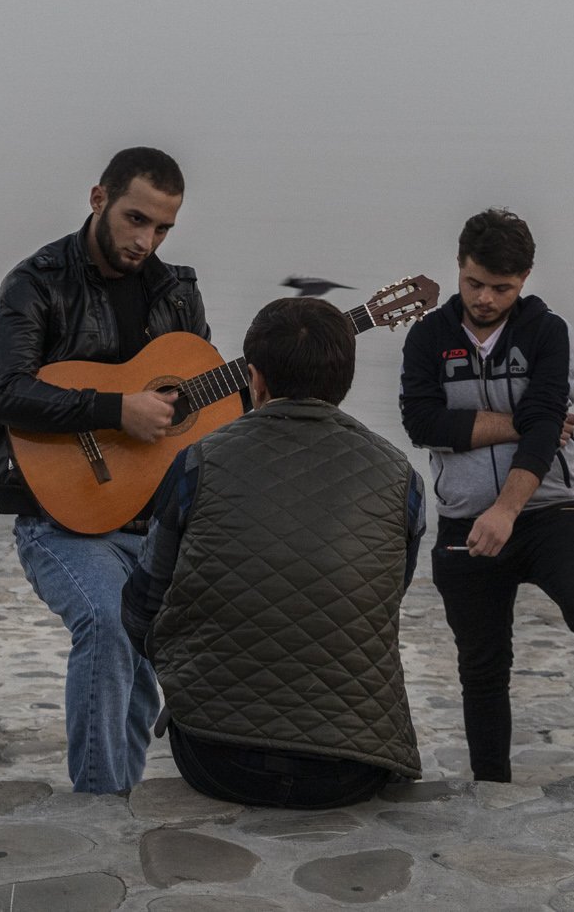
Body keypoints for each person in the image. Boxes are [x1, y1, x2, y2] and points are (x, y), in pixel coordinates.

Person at [123, 296, 426, 807]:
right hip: (352, 769)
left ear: (255, 379)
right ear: (345, 379)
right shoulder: (403, 479)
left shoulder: (198, 461)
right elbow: (386, 595)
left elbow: (142, 605)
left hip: (216, 758)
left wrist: (186, 666)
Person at [0, 147, 212, 794]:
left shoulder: (178, 292)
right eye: (136, 218)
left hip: (150, 517)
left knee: (141, 661)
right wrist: (116, 409)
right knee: (108, 626)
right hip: (61, 516)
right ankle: (99, 804)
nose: (147, 240)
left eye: (163, 227)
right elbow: (4, 391)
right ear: (98, 198)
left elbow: (204, 395)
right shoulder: (37, 282)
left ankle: (121, 792)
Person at [399, 208, 574, 782]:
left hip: (551, 510)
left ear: (525, 278)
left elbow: (547, 416)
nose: (484, 298)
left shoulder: (548, 332)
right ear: (459, 267)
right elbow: (423, 424)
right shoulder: (428, 336)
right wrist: (524, 424)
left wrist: (508, 506)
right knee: (482, 667)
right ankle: (490, 789)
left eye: (501, 288)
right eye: (474, 282)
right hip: (465, 519)